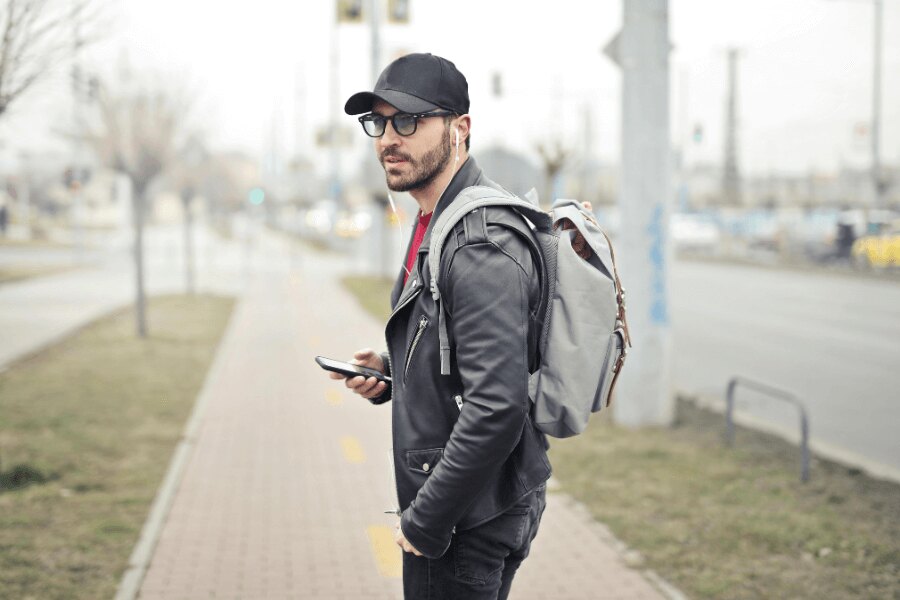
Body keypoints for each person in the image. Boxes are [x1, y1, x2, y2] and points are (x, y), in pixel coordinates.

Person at [329, 53, 551, 599]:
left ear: (460, 129)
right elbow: (460, 356)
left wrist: (426, 519)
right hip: (468, 504)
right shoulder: (438, 218)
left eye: (408, 120)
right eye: (378, 123)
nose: (388, 139)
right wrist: (391, 375)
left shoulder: (477, 243)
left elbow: (497, 405)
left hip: (464, 519)